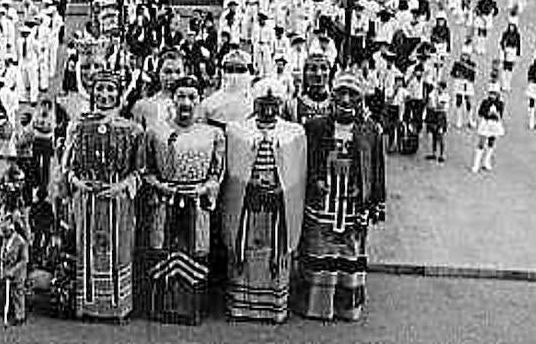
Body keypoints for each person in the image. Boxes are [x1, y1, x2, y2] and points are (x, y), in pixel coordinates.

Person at [293, 70, 385, 322]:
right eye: (341, 93)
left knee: (349, 254)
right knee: (319, 251)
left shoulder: (371, 130)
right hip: (321, 205)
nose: (346, 100)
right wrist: (316, 181)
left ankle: (346, 307)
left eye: (352, 94)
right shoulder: (314, 127)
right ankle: (316, 306)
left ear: (361, 99)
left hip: (354, 205)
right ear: (332, 96)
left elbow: (376, 167)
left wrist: (376, 201)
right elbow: (305, 163)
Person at [139, 79, 225, 325]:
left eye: (192, 97)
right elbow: (145, 169)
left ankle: (192, 309)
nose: (186, 103)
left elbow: (217, 173)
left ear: (199, 100)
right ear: (173, 99)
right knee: (161, 248)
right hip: (165, 201)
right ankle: (160, 307)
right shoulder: (156, 131)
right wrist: (159, 185)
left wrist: (204, 189)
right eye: (181, 96)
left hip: (197, 204)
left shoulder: (212, 134)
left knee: (197, 251)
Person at [61, 69, 144, 321]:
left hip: (117, 201)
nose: (105, 94)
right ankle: (87, 304)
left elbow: (140, 170)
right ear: (91, 91)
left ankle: (117, 307)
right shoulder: (77, 125)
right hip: (86, 199)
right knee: (87, 248)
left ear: (119, 94)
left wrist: (121, 186)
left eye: (110, 89)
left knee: (117, 249)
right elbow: (67, 166)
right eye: (100, 88)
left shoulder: (132, 129)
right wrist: (77, 182)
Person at [222, 85, 307, 323]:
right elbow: (231, 172)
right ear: (254, 103)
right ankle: (242, 305)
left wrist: (283, 188)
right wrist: (247, 184)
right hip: (248, 204)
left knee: (274, 253)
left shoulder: (294, 133)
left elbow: (298, 174)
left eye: (273, 103)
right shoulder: (237, 131)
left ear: (280, 105)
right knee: (246, 252)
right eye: (262, 103)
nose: (268, 109)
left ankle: (273, 306)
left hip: (277, 205)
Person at [0, 213, 29, 328]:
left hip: (18, 272)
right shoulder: (5, 240)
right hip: (7, 270)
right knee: (10, 293)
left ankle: (20, 316)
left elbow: (24, 260)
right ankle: (12, 312)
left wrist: (13, 270)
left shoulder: (20, 241)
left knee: (18, 293)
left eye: (6, 231)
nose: (4, 233)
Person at [472, 83, 505, 174]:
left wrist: (496, 115)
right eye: (491, 93)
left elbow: (500, 115)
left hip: (495, 124)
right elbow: (480, 113)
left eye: (494, 94)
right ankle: (476, 164)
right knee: (481, 143)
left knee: (491, 142)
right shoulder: (485, 102)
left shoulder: (500, 103)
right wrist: (487, 114)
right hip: (486, 123)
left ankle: (486, 161)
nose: (492, 95)